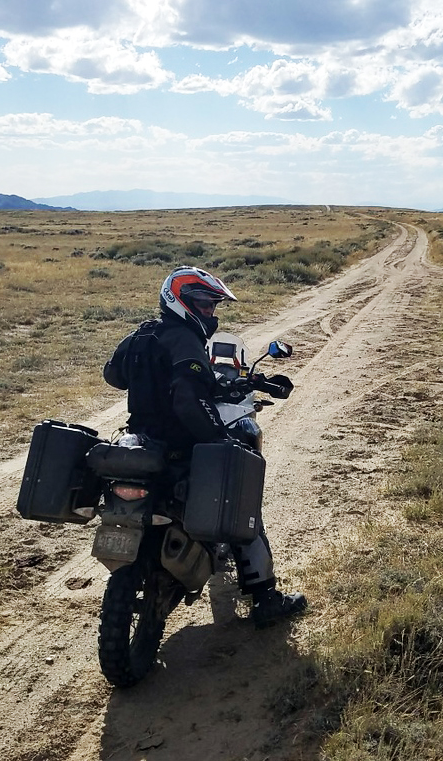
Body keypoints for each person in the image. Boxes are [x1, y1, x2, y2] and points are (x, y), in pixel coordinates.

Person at [104, 265, 307, 628]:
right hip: (181, 446)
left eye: (213, 306)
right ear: (180, 301)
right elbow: (186, 400)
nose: (210, 312)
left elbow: (113, 376)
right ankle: (265, 598)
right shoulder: (184, 339)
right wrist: (218, 438)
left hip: (144, 442)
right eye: (204, 304)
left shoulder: (142, 335)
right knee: (240, 497)